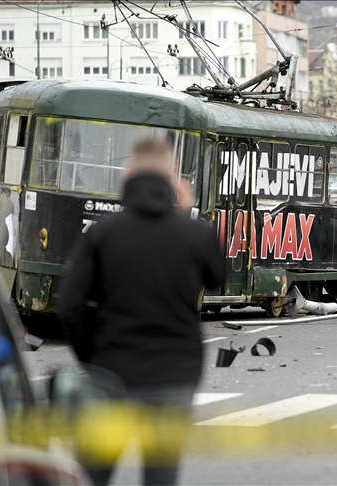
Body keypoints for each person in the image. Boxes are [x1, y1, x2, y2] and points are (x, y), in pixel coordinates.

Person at [58, 138, 226, 486]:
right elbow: (217, 278)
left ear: (128, 173)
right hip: (175, 376)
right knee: (160, 476)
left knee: (93, 474)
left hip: (111, 373)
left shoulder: (103, 233)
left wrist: (94, 357)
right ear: (172, 178)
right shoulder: (194, 233)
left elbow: (71, 305)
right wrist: (187, 212)